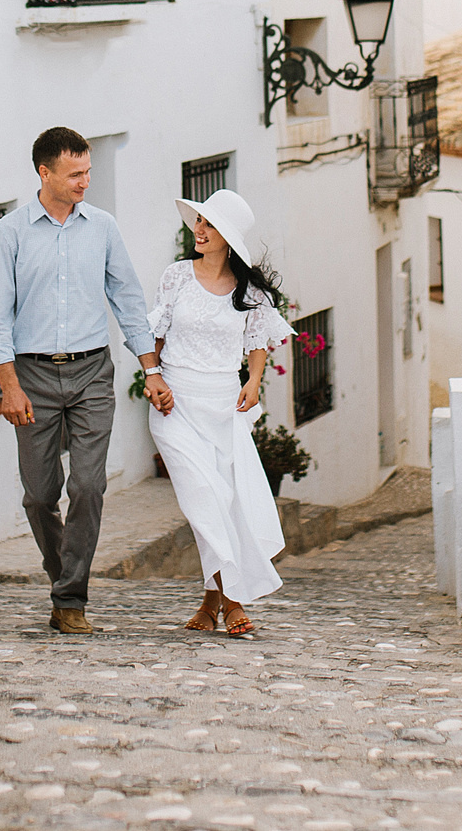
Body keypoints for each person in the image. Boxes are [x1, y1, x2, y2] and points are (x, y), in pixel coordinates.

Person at [0, 126, 169, 635]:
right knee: (40, 495)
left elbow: (128, 300)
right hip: (32, 375)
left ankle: (70, 599)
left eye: (88, 171)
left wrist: (150, 369)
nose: (86, 181)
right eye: (76, 174)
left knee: (88, 485)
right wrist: (9, 385)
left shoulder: (103, 228)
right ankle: (62, 574)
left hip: (91, 371)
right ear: (44, 174)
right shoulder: (11, 233)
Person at [143, 187, 290, 637]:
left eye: (208, 225)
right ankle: (233, 601)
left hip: (223, 407)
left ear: (227, 237)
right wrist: (153, 377)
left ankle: (211, 603)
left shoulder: (251, 294)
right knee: (205, 497)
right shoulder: (176, 277)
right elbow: (155, 333)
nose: (198, 230)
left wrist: (254, 380)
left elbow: (260, 340)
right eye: (198, 222)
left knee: (225, 502)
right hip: (176, 406)